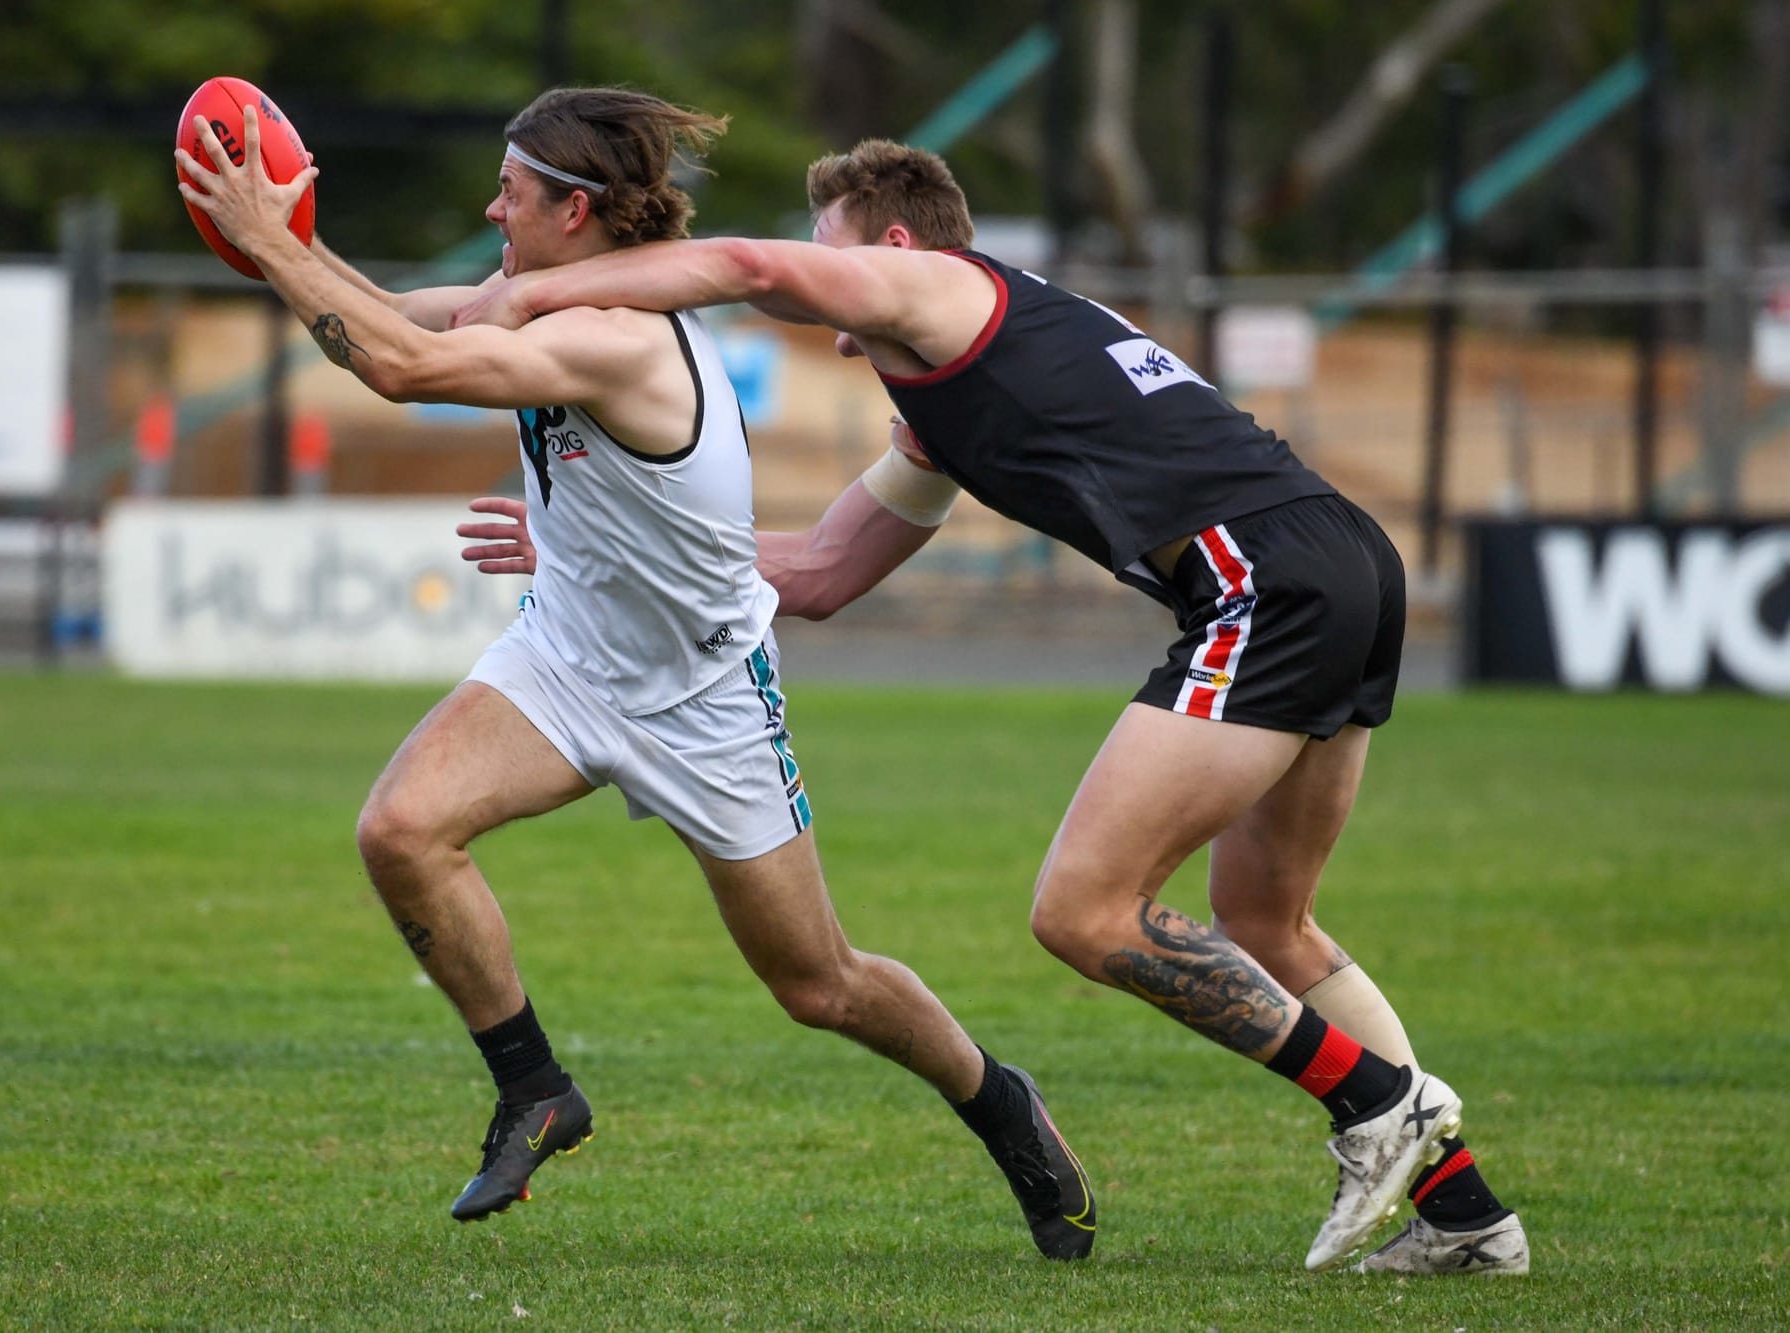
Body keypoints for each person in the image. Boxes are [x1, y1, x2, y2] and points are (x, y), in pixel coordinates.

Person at [453, 139, 1528, 1277]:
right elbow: (817, 571)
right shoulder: (946, 393)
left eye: (834, 257)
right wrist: (595, 545)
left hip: (1263, 579)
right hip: (1336, 558)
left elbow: (742, 269)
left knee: (1084, 908)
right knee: (1267, 921)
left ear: (898, 248)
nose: (826, 310)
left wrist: (526, 290)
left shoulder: (943, 287)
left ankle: (1378, 1104)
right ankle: (1462, 1215)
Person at [175, 93, 1097, 1259]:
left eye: (509, 191)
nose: (489, 208)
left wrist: (269, 244)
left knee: (820, 984)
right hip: (563, 657)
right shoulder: (549, 297)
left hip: (703, 696)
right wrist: (286, 246)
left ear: (576, 209)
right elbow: (402, 317)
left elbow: (404, 369)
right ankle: (535, 1090)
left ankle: (998, 1103)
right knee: (401, 828)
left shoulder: (619, 334)